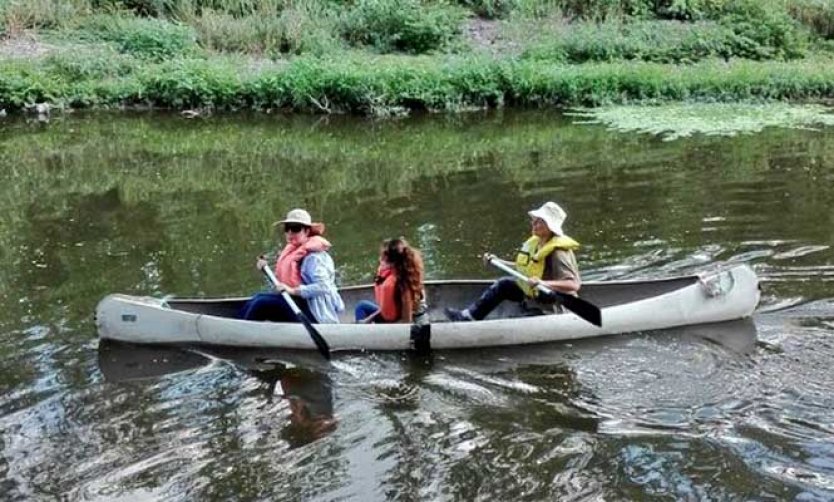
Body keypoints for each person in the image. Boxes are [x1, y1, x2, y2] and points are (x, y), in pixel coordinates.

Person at [444, 201, 581, 322]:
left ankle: (535, 314)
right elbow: (525, 268)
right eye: (534, 220)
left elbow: (573, 285)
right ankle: (469, 316)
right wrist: (499, 262)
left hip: (553, 304)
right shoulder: (537, 243)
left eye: (539, 221)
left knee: (526, 321)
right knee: (504, 284)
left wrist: (543, 283)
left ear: (550, 227)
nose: (533, 223)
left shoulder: (559, 253)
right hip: (535, 296)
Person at [239, 208, 345, 324]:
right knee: (257, 298)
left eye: (295, 228)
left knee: (261, 303)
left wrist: (293, 291)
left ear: (307, 231)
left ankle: (239, 337)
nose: (290, 233)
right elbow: (284, 283)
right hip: (298, 302)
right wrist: (265, 270)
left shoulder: (314, 258)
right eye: (287, 228)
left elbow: (324, 287)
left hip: (316, 314)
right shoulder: (293, 250)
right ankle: (238, 328)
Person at [354, 238, 428, 324]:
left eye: (382, 257)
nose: (380, 260)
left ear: (391, 262)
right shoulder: (402, 274)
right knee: (362, 306)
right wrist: (368, 320)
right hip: (393, 317)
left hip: (402, 326)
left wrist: (383, 330)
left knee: (362, 308)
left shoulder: (404, 287)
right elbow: (387, 308)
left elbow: (406, 322)